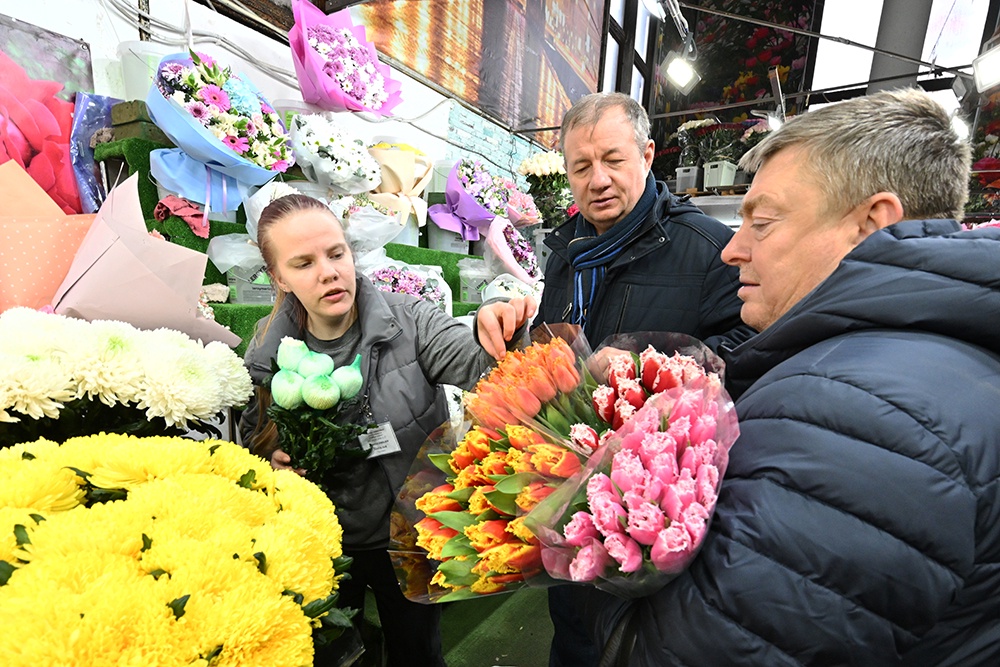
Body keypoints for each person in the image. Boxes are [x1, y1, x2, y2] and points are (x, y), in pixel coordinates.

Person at [578, 88, 1000, 665]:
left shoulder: (860, 415)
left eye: (763, 222)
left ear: (871, 225)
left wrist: (598, 556)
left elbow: (702, 648)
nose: (732, 250)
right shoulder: (924, 363)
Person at [479, 92, 753, 667]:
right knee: (574, 635)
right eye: (581, 166)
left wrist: (642, 368)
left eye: (613, 159)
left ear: (647, 155)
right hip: (571, 494)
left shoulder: (708, 249)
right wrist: (517, 328)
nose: (597, 180)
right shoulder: (566, 251)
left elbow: (744, 353)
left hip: (655, 511)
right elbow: (560, 343)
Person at [238, 194, 533, 667]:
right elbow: (251, 439)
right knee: (335, 654)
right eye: (304, 263)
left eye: (336, 253)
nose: (329, 272)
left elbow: (481, 366)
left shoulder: (411, 321)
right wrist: (270, 464)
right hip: (321, 542)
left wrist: (500, 324)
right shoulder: (266, 347)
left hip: (408, 534)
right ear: (278, 278)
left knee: (416, 651)